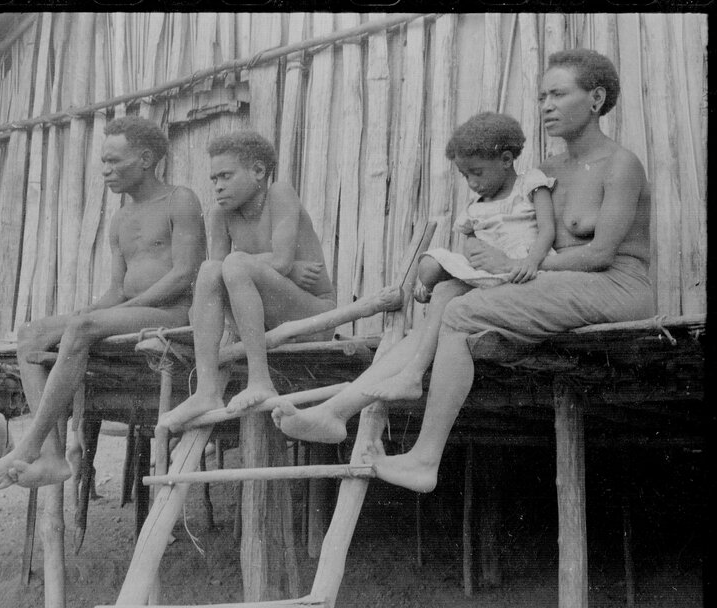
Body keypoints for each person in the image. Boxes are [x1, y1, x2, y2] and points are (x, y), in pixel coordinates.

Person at [274, 48, 653, 493]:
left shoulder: (621, 164)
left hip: (616, 287)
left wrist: (515, 266)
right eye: (541, 96)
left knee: (462, 314)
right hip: (557, 284)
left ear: (596, 98)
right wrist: (474, 258)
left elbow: (599, 254)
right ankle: (335, 412)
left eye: (558, 94)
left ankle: (424, 459)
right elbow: (517, 237)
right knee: (445, 306)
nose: (546, 105)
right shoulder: (545, 172)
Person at [0, 116, 207, 489]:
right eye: (103, 161)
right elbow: (118, 289)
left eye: (114, 161)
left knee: (82, 327)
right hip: (135, 312)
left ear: (145, 159)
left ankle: (28, 444)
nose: (105, 170)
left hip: (176, 313)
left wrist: (113, 313)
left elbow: (185, 274)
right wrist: (93, 309)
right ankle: (51, 456)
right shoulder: (120, 219)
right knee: (33, 334)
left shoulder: (179, 200)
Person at [359, 111, 556, 404]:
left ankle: (413, 372)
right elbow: (470, 247)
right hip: (486, 275)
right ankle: (413, 371)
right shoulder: (476, 207)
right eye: (465, 176)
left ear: (505, 160)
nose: (472, 183)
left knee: (444, 292)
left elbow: (548, 229)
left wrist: (531, 262)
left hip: (519, 271)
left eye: (477, 173)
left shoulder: (530, 184)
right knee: (430, 267)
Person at [157, 130, 338, 433]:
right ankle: (206, 392)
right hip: (266, 322)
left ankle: (260, 381)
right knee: (210, 270)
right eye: (214, 179)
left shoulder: (279, 194)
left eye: (226, 176)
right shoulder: (220, 214)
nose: (218, 186)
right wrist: (287, 268)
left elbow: (280, 261)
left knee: (235, 262)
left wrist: (282, 267)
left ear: (257, 171)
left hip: (314, 319)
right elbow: (215, 277)